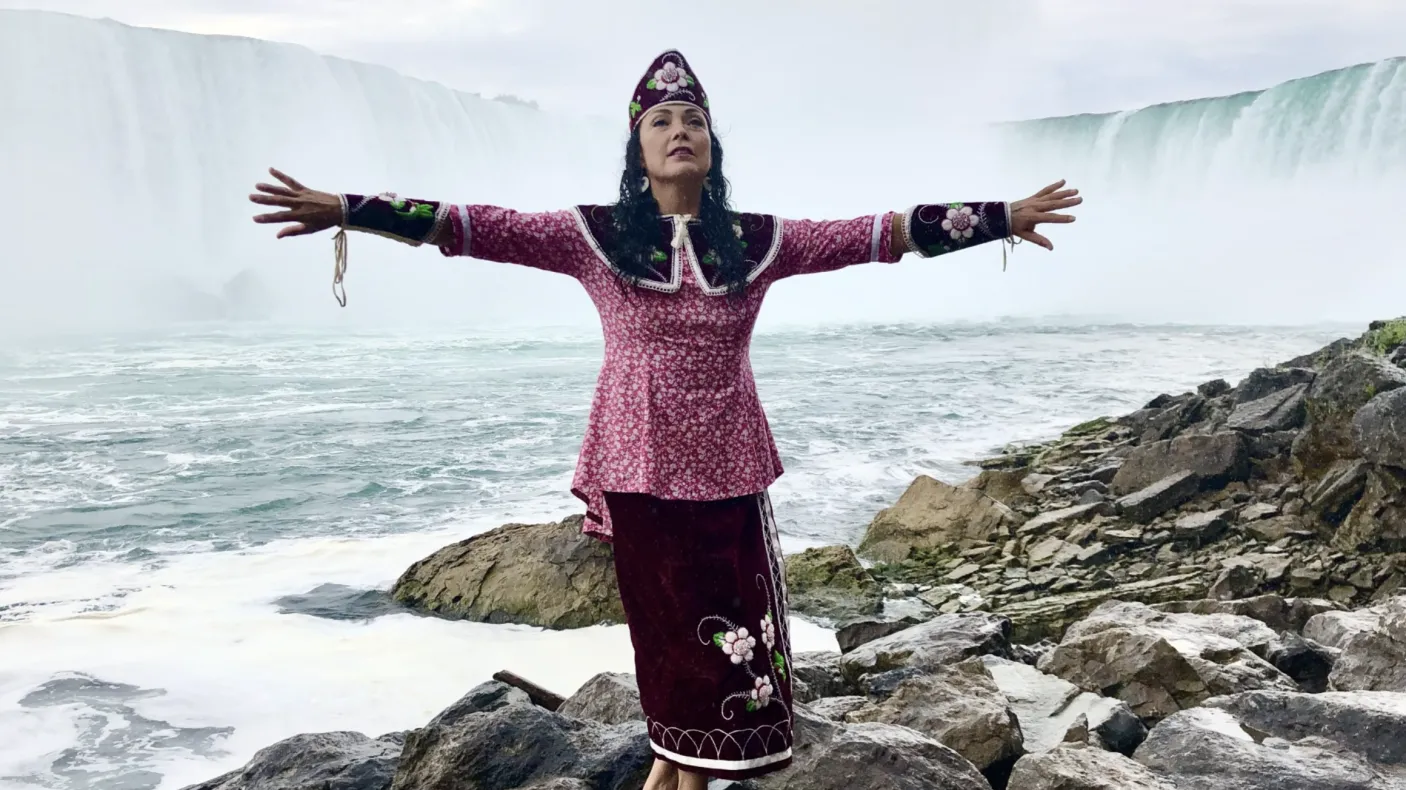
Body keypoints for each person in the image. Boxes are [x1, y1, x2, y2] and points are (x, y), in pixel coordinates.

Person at [249, 49, 1078, 790]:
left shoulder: (760, 240)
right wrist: (349, 209)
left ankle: (687, 768)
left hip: (730, 462)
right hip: (637, 464)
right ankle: (674, 766)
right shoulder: (593, 236)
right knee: (667, 639)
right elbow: (469, 226)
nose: (679, 131)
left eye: (693, 121)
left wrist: (1002, 216)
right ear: (637, 149)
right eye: (661, 121)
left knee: (742, 633)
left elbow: (878, 235)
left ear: (710, 148)